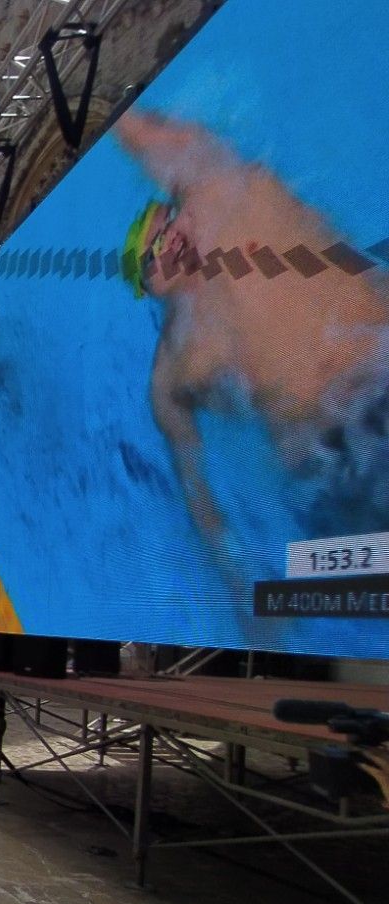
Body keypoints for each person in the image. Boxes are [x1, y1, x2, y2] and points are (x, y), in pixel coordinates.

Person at [116, 109, 389, 576]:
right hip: (335, 459)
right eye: (154, 246)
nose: (172, 237)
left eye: (171, 220)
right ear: (148, 286)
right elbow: (197, 491)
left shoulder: (237, 198)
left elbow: (148, 137)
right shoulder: (174, 371)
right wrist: (237, 581)